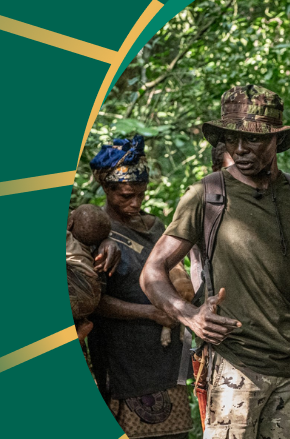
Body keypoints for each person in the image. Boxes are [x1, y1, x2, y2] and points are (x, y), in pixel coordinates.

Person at [140, 85, 290, 439]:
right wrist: (188, 315)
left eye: (253, 140)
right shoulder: (207, 194)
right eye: (232, 139)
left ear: (277, 140)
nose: (240, 149)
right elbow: (153, 271)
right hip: (235, 364)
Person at [87, 135, 193, 439]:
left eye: (140, 195)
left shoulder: (157, 227)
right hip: (125, 368)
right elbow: (96, 301)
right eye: (125, 196)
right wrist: (149, 312)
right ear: (106, 189)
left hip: (167, 364)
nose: (135, 203)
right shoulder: (97, 232)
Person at [66, 204, 114, 341]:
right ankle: (81, 328)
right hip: (92, 292)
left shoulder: (66, 237)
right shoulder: (91, 249)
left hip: (76, 285)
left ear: (70, 224)